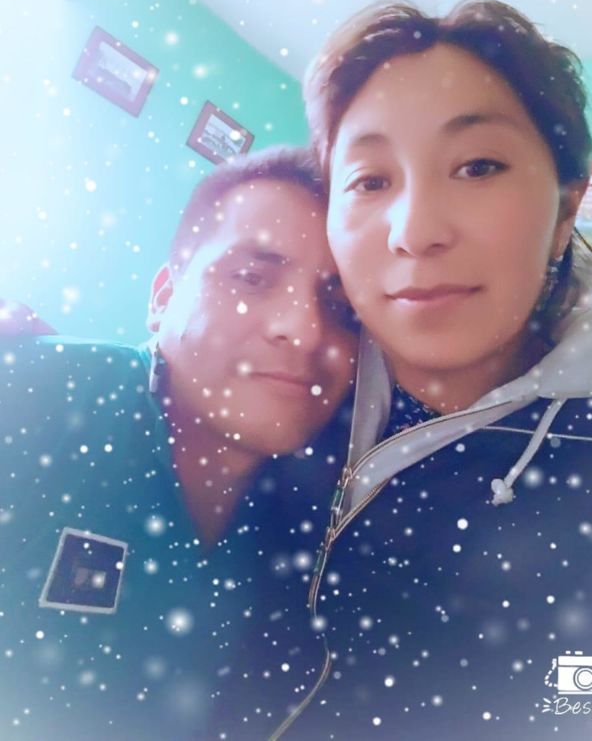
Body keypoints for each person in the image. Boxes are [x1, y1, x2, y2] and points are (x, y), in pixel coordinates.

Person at [271, 0, 592, 740]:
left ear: (567, 210)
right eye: (370, 180)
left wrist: (530, 687)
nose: (415, 232)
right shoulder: (288, 371)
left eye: (478, 166)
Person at [0, 146, 358, 740]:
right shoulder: (35, 399)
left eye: (342, 308)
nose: (301, 330)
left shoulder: (323, 530)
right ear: (164, 296)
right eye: (251, 279)